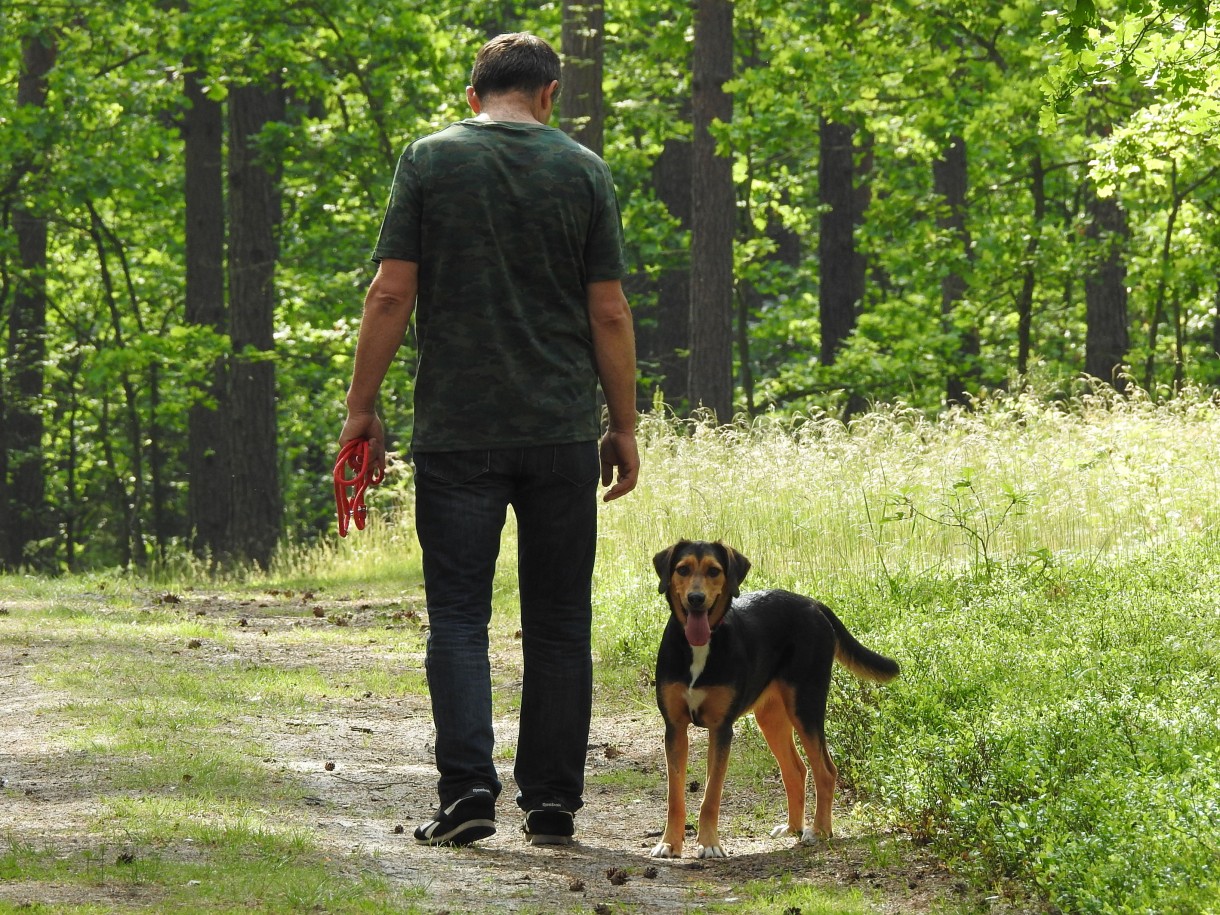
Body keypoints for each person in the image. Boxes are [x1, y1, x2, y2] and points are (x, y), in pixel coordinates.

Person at [338, 32, 639, 849]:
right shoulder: (583, 171)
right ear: (549, 96)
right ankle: (552, 803)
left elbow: (390, 291)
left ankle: (468, 789)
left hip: (457, 434)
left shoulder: (430, 160)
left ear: (473, 96)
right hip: (559, 433)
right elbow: (608, 310)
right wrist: (623, 424)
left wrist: (361, 407)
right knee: (558, 621)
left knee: (461, 618)